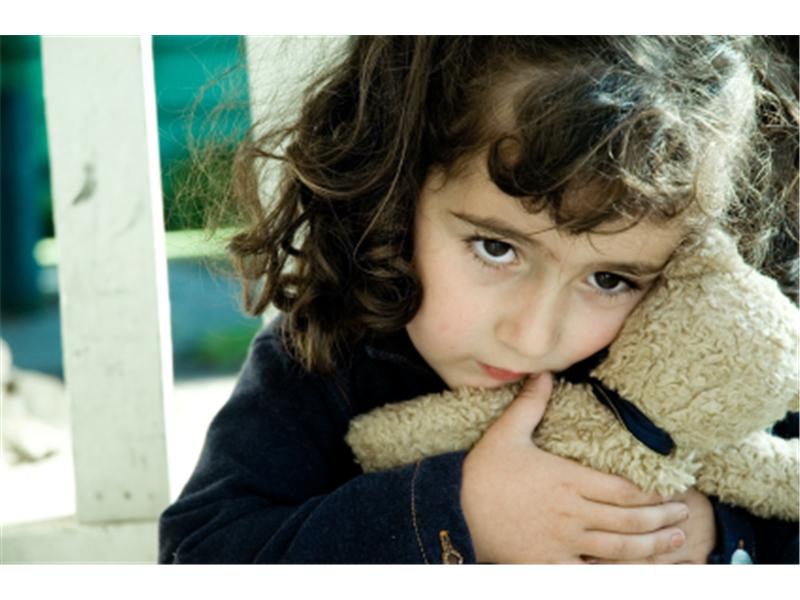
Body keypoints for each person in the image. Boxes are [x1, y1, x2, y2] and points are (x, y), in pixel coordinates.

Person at [158, 36, 799, 564]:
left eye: (610, 280)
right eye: (496, 248)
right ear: (396, 193)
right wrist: (459, 515)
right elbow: (202, 555)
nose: (534, 337)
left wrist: (716, 537)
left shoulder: (713, 368)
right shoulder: (323, 355)